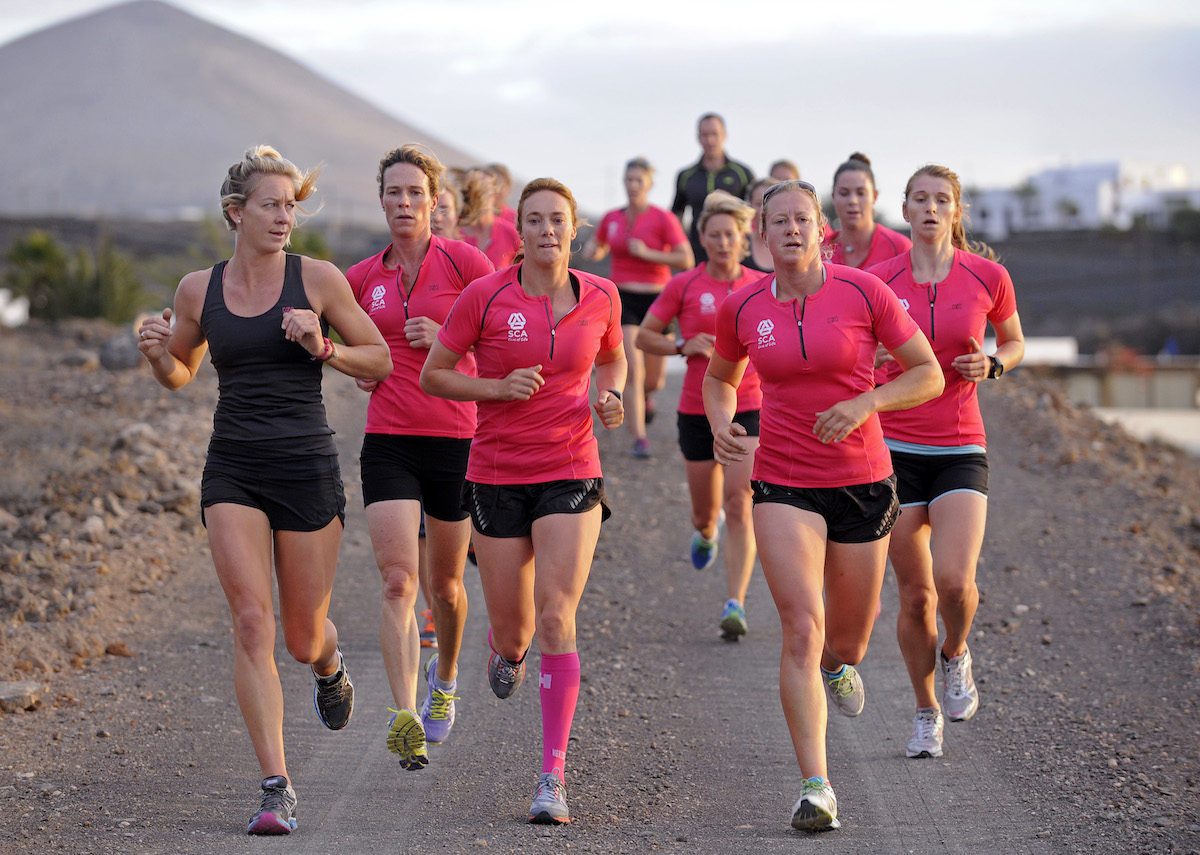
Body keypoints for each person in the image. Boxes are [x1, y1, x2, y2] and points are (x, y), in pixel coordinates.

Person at [136, 145, 392, 835]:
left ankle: (328, 665)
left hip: (305, 467)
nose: (285, 217)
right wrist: (157, 352)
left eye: (291, 206)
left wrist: (323, 346)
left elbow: (381, 360)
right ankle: (277, 786)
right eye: (272, 205)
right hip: (234, 468)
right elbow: (181, 372)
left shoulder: (318, 280)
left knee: (303, 637)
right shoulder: (198, 289)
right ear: (236, 212)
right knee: (253, 622)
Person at [702, 179, 942, 831]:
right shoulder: (744, 306)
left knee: (847, 638)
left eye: (802, 219)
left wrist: (866, 403)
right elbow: (720, 378)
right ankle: (817, 786)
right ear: (761, 234)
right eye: (778, 221)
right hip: (783, 481)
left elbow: (928, 372)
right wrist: (722, 422)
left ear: (821, 229)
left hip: (863, 479)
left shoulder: (864, 292)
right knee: (802, 628)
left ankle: (838, 665)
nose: (791, 230)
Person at [420, 177, 626, 825]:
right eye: (534, 219)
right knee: (516, 631)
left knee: (558, 616)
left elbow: (613, 358)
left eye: (557, 219)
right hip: (497, 473)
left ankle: (552, 777)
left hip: (572, 468)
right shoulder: (485, 295)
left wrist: (611, 396)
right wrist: (496, 387)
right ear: (522, 228)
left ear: (574, 229)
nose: (546, 230)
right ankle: (506, 650)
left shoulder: (602, 295)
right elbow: (435, 374)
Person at [867, 164, 1025, 760]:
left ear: (956, 211)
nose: (931, 208)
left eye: (942, 200)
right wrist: (873, 359)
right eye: (920, 199)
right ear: (905, 210)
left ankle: (956, 652)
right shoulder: (877, 281)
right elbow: (852, 348)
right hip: (892, 450)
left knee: (956, 583)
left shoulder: (988, 276)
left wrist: (995, 363)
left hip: (960, 444)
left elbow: (1014, 340)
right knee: (916, 596)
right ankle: (925, 710)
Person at [346, 144, 495, 771]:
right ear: (381, 200)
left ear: (435, 202)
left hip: (456, 440)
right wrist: (356, 364)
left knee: (447, 587)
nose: (404, 203)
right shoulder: (361, 277)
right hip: (388, 440)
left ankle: (446, 680)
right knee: (398, 581)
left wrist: (449, 342)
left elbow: (503, 347)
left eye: (415, 193)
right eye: (393, 192)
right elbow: (343, 343)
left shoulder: (466, 263)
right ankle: (404, 714)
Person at [636, 190, 762, 640]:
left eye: (731, 234)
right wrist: (681, 344)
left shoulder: (760, 285)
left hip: (749, 404)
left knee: (740, 502)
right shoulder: (684, 285)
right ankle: (707, 534)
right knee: (705, 515)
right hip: (696, 409)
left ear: (743, 238)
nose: (724, 242)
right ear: (703, 239)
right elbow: (644, 337)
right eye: (715, 235)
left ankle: (735, 603)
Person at [583, 157, 693, 458]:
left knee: (654, 379)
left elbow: (686, 259)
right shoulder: (612, 217)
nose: (632, 185)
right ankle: (640, 439)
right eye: (628, 179)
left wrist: (649, 253)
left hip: (657, 300)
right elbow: (599, 246)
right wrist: (593, 250)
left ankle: (645, 398)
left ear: (649, 184)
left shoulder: (663, 218)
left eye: (638, 180)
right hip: (623, 299)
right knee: (633, 368)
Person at [672, 113, 755, 264]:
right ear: (698, 137)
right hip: (697, 252)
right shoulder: (686, 175)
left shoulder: (742, 173)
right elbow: (676, 214)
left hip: (736, 253)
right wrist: (680, 245)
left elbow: (755, 210)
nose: (710, 140)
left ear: (724, 135)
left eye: (714, 134)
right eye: (705, 135)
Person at [824, 153, 912, 270]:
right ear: (833, 197)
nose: (853, 201)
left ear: (874, 196)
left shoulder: (899, 248)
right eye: (844, 193)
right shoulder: (818, 250)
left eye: (861, 193)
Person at [460, 168, 521, 269]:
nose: (479, 196)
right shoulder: (454, 232)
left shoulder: (511, 234)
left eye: (484, 190)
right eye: (474, 190)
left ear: (495, 195)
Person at [744, 177, 780, 273]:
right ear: (750, 207)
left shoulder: (793, 242)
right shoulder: (741, 243)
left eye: (769, 203)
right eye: (758, 203)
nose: (764, 209)